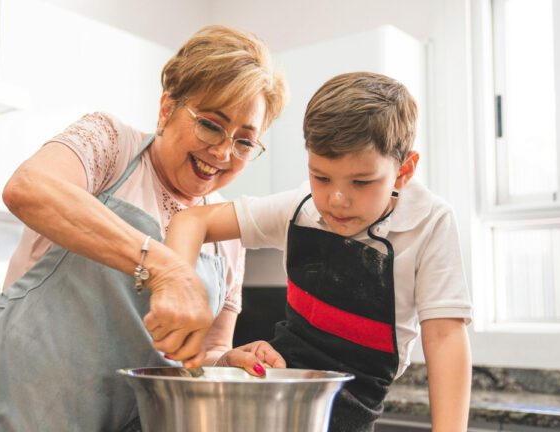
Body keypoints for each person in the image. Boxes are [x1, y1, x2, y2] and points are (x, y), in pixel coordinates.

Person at [0, 25, 287, 432]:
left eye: (244, 142)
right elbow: (29, 188)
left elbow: (209, 349)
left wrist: (228, 362)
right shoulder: (110, 145)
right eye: (211, 125)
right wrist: (163, 266)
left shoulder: (226, 232)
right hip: (21, 414)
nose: (222, 152)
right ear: (167, 108)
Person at [165, 72, 473, 431]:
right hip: (281, 395)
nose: (337, 200)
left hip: (355, 409)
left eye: (361, 182)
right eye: (321, 177)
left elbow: (445, 337)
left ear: (404, 171)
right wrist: (177, 289)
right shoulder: (301, 207)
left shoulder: (429, 222)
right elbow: (191, 221)